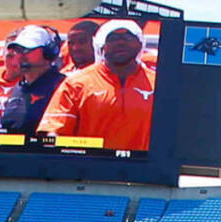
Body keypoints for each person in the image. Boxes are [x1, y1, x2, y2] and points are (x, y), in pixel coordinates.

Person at [39, 21, 154, 153]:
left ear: (140, 44)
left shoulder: (159, 84)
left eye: (128, 37)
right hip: (88, 169)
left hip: (144, 169)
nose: (120, 43)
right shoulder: (76, 83)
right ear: (101, 45)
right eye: (112, 38)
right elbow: (54, 132)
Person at [0, 26, 69, 134]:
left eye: (26, 50)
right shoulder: (19, 87)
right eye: (17, 51)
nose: (20, 56)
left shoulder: (63, 86)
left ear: (48, 52)